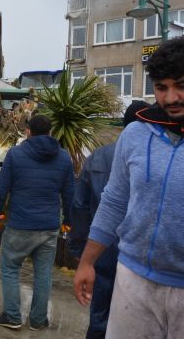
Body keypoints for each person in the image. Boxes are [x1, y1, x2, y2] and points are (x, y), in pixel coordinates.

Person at [73, 37, 184, 339]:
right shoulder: (135, 134)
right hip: (132, 279)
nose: (171, 97)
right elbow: (114, 201)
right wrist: (87, 262)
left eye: (180, 85)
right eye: (162, 88)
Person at [68, 101, 149, 339]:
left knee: (100, 316)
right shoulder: (154, 158)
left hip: (102, 249)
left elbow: (80, 206)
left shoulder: (97, 157)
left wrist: (80, 250)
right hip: (138, 255)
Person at [0, 114, 75, 331]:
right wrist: (69, 221)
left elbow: (0, 190)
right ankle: (37, 320)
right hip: (49, 226)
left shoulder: (16, 154)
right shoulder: (63, 157)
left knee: (10, 268)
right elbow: (70, 193)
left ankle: (13, 316)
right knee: (43, 274)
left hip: (20, 225)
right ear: (51, 132)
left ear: (28, 132)